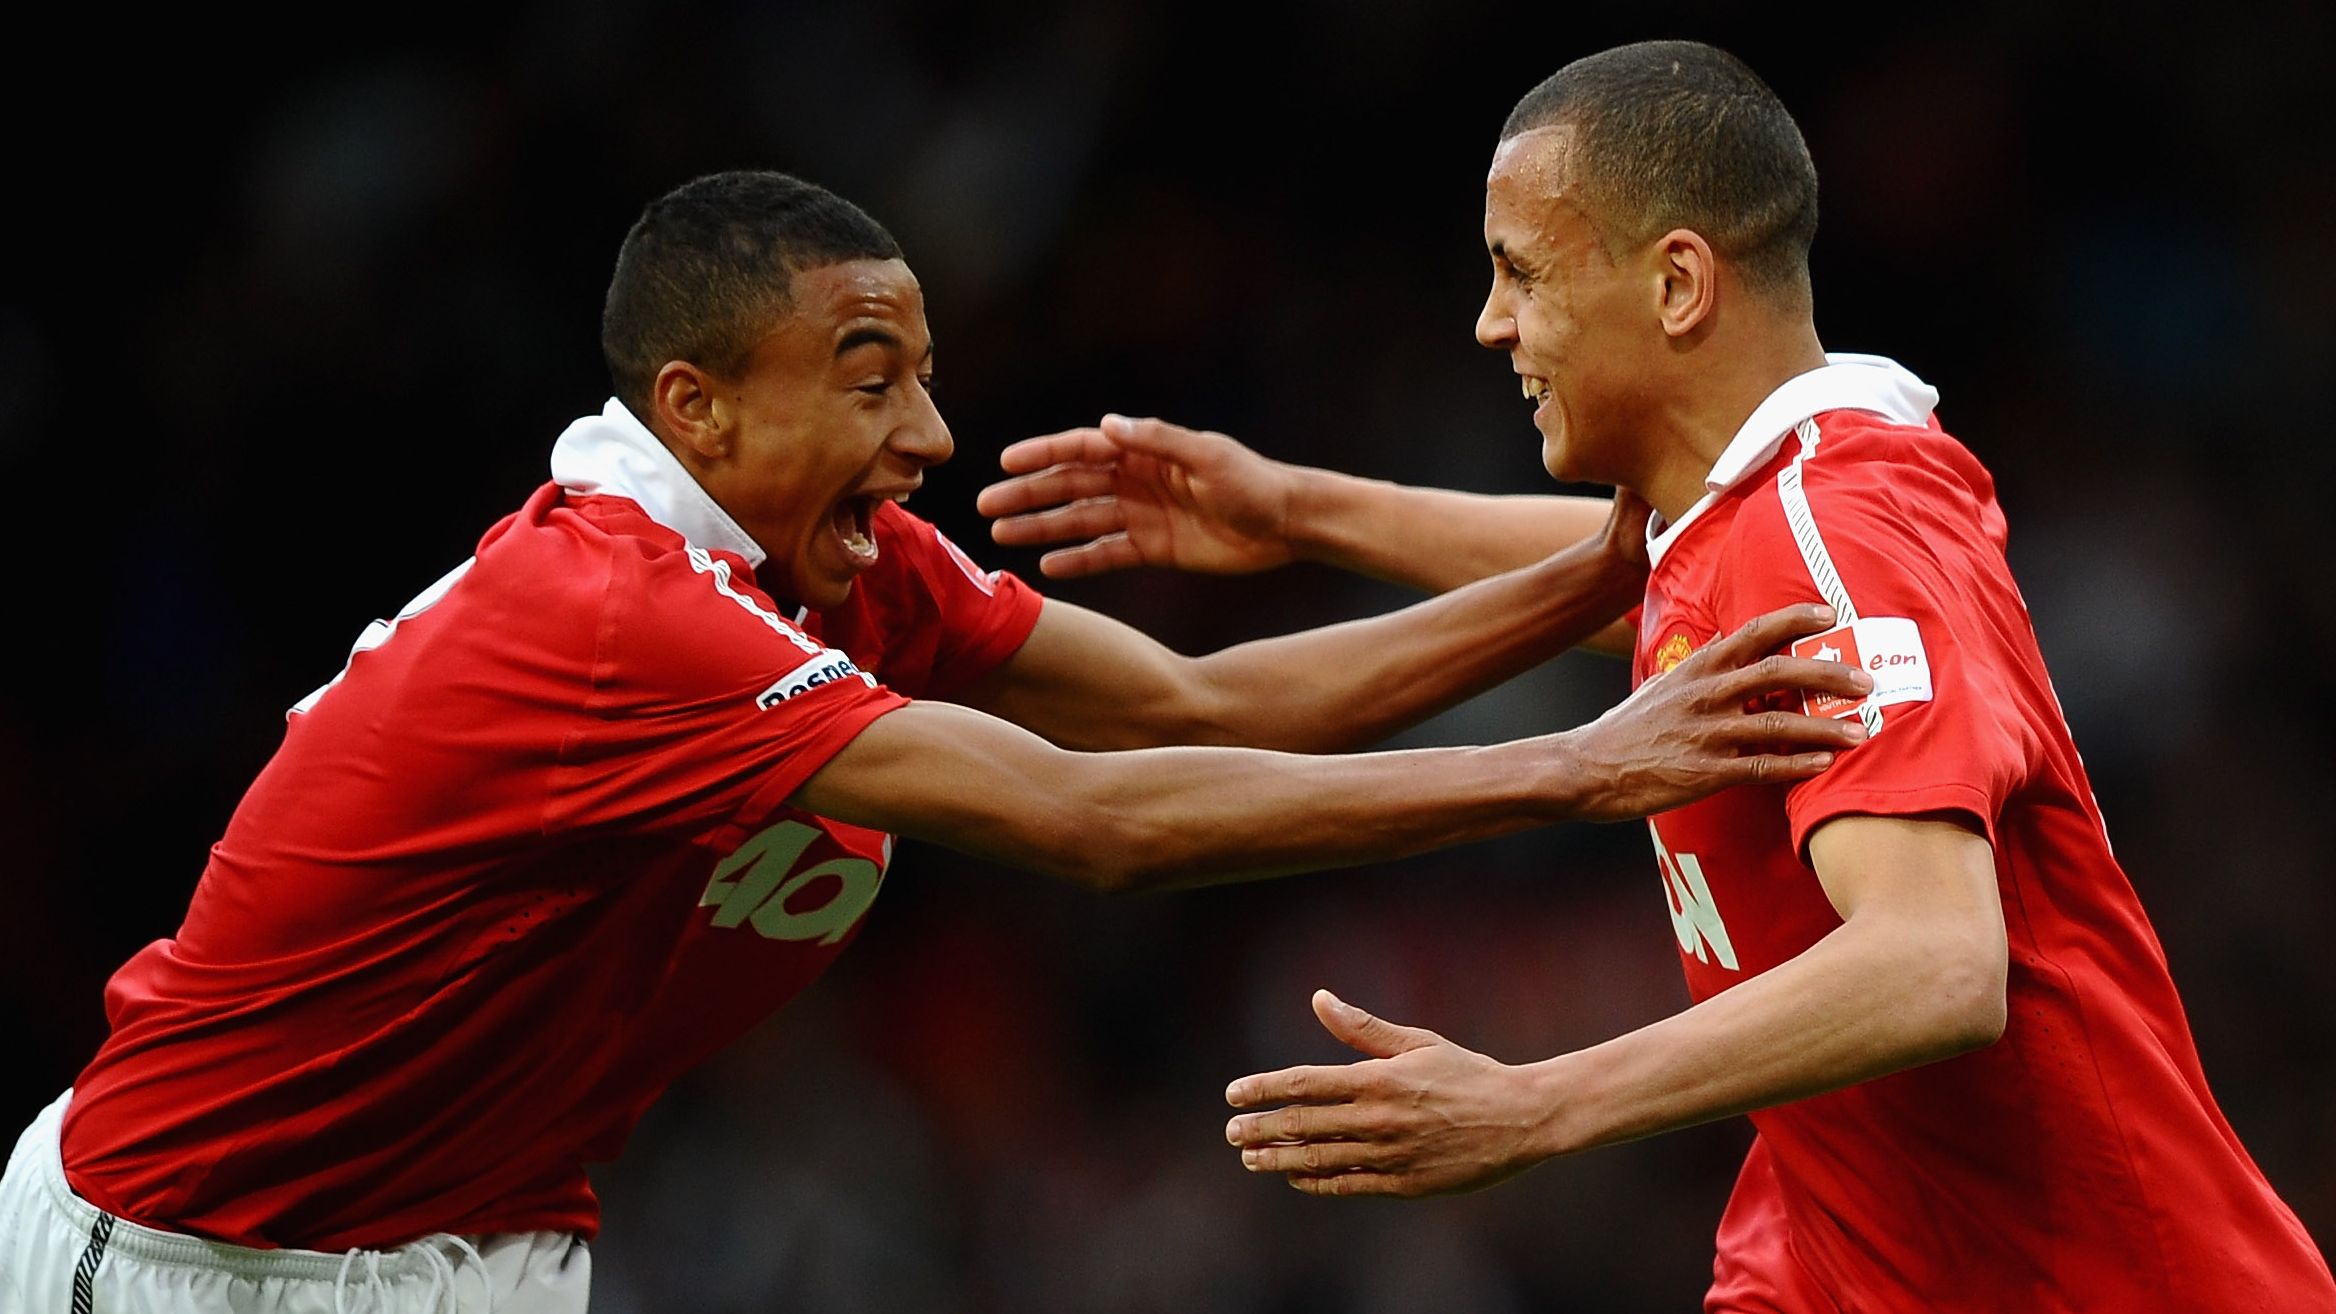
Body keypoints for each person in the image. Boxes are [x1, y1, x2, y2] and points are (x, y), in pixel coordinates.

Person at [0, 171, 1870, 1314]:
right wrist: (1584, 759)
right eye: (871, 380)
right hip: (201, 1254)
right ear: (698, 408)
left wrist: (1623, 556)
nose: (931, 435)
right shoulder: (616, 619)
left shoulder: (830, 570)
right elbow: (1097, 819)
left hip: (457, 1246)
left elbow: (1206, 703)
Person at [981, 41, 2336, 1314]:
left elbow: (1937, 961)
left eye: (1522, 273)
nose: (1489, 324)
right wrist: (1300, 510)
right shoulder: (1754, 514)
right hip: (1845, 1252)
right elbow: (1647, 576)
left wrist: (1536, 1104)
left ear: (1679, 284)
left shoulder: (1834, 534)